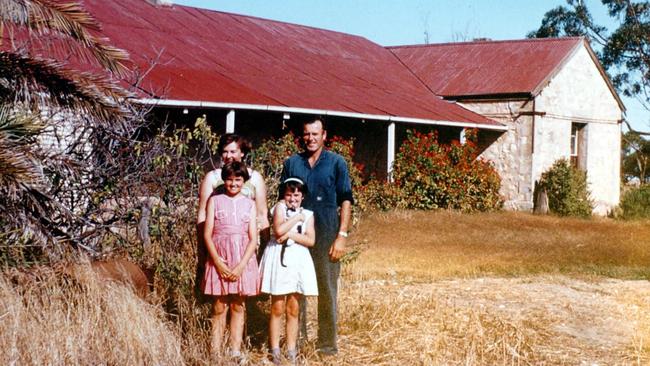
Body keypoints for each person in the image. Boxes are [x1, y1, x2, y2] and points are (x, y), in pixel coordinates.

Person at [280, 118, 353, 356]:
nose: (310, 138)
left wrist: (341, 235)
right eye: (306, 134)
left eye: (315, 133)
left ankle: (327, 346)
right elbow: (283, 199)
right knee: (295, 289)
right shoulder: (292, 163)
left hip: (326, 232)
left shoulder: (336, 163)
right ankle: (295, 342)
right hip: (297, 233)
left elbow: (346, 200)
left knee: (327, 289)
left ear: (324, 135)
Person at [201, 161, 259, 359]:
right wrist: (218, 262)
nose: (233, 183)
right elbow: (207, 234)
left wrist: (241, 266)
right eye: (229, 179)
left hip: (242, 260)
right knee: (219, 305)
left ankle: (235, 351)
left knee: (238, 305)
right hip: (220, 258)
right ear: (224, 180)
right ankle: (215, 352)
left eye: (238, 180)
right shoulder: (215, 201)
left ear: (244, 181)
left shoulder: (250, 204)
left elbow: (253, 238)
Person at [259, 177, 317, 364]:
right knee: (277, 306)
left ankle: (291, 349)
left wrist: (293, 231)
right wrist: (294, 221)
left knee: (293, 307)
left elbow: (310, 240)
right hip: (280, 259)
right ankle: (274, 348)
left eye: (297, 195)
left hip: (298, 261)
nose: (293, 198)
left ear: (302, 196)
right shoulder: (279, 208)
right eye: (289, 194)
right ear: (283, 195)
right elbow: (278, 229)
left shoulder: (307, 214)